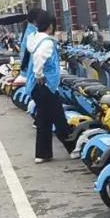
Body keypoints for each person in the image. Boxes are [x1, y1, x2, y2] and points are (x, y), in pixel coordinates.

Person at [27, 10, 73, 163]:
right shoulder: (46, 42)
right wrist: (39, 74)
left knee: (44, 120)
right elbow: (40, 57)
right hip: (46, 86)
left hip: (37, 87)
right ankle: (72, 148)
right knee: (59, 118)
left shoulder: (34, 38)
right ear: (51, 25)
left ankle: (42, 154)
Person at [19, 7, 41, 89]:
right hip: (32, 69)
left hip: (29, 68)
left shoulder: (29, 29)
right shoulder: (33, 32)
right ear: (35, 20)